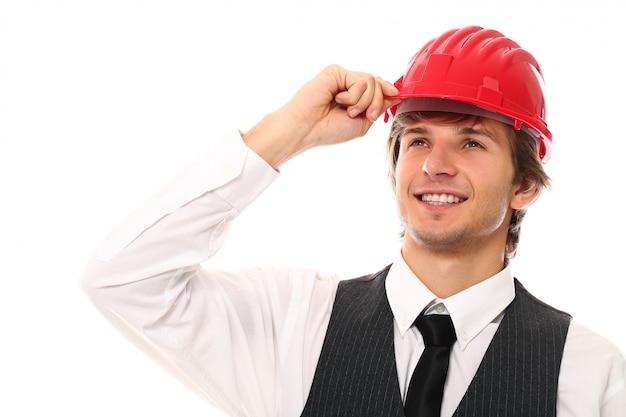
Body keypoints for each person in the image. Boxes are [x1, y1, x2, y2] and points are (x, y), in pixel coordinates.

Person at [79, 26, 625, 417]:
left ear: (524, 185)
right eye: (417, 140)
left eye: (472, 141)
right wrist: (289, 130)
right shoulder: (295, 324)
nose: (435, 164)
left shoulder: (590, 372)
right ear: (395, 170)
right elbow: (121, 278)